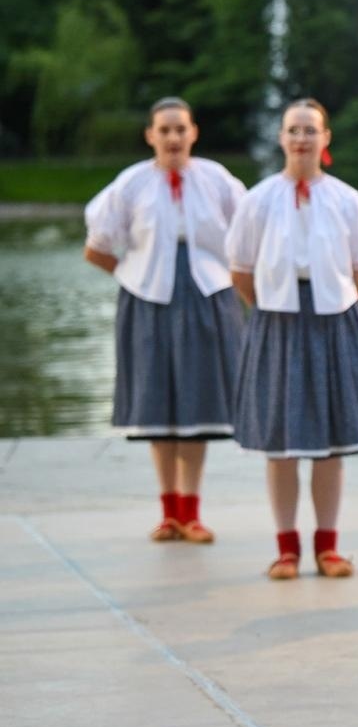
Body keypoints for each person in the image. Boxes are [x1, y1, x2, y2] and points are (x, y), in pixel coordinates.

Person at [226, 99, 358, 580]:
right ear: (281, 138)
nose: (301, 138)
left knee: (331, 445)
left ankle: (328, 547)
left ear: (325, 138)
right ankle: (286, 548)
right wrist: (274, 307)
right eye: (293, 130)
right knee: (281, 442)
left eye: (310, 130)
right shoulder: (258, 199)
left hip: (333, 319)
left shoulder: (346, 199)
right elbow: (241, 271)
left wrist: (333, 305)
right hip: (277, 320)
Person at [83, 97, 246, 543]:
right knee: (158, 405)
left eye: (181, 129)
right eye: (164, 130)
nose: (173, 138)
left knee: (196, 405)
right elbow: (96, 246)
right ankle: (168, 511)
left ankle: (191, 513)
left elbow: (247, 235)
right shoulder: (131, 185)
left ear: (193, 133)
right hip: (148, 301)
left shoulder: (217, 180)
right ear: (150, 135)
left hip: (207, 297)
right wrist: (131, 274)